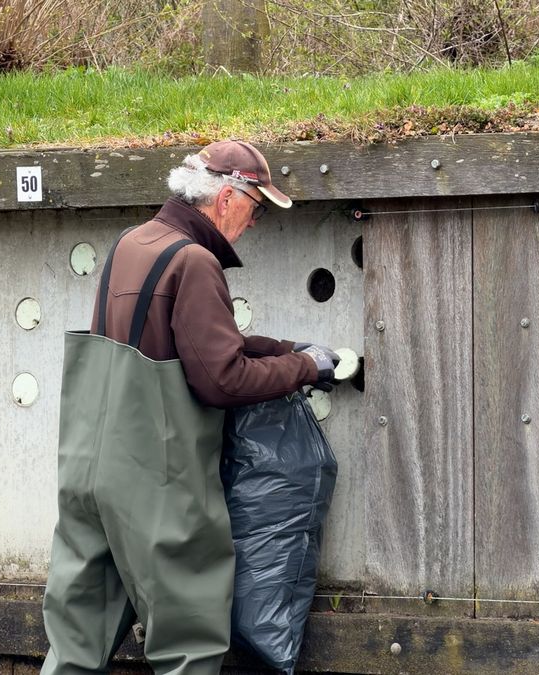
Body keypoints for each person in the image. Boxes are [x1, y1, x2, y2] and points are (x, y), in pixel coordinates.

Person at [41, 140, 338, 674]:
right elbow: (222, 379)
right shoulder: (195, 262)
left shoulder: (132, 244)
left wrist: (281, 349)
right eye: (256, 208)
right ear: (226, 198)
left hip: (87, 471)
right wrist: (308, 368)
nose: (253, 224)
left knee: (75, 643)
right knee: (188, 644)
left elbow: (186, 343)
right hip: (153, 482)